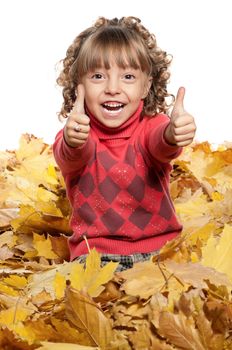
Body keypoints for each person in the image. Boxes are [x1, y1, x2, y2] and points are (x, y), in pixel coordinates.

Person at [53, 16, 196, 271]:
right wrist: (73, 139)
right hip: (95, 254)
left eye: (128, 76)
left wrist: (173, 134)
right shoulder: (78, 135)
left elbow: (160, 144)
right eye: (98, 76)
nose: (112, 88)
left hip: (160, 250)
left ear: (145, 87)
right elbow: (72, 154)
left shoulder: (152, 127)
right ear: (79, 87)